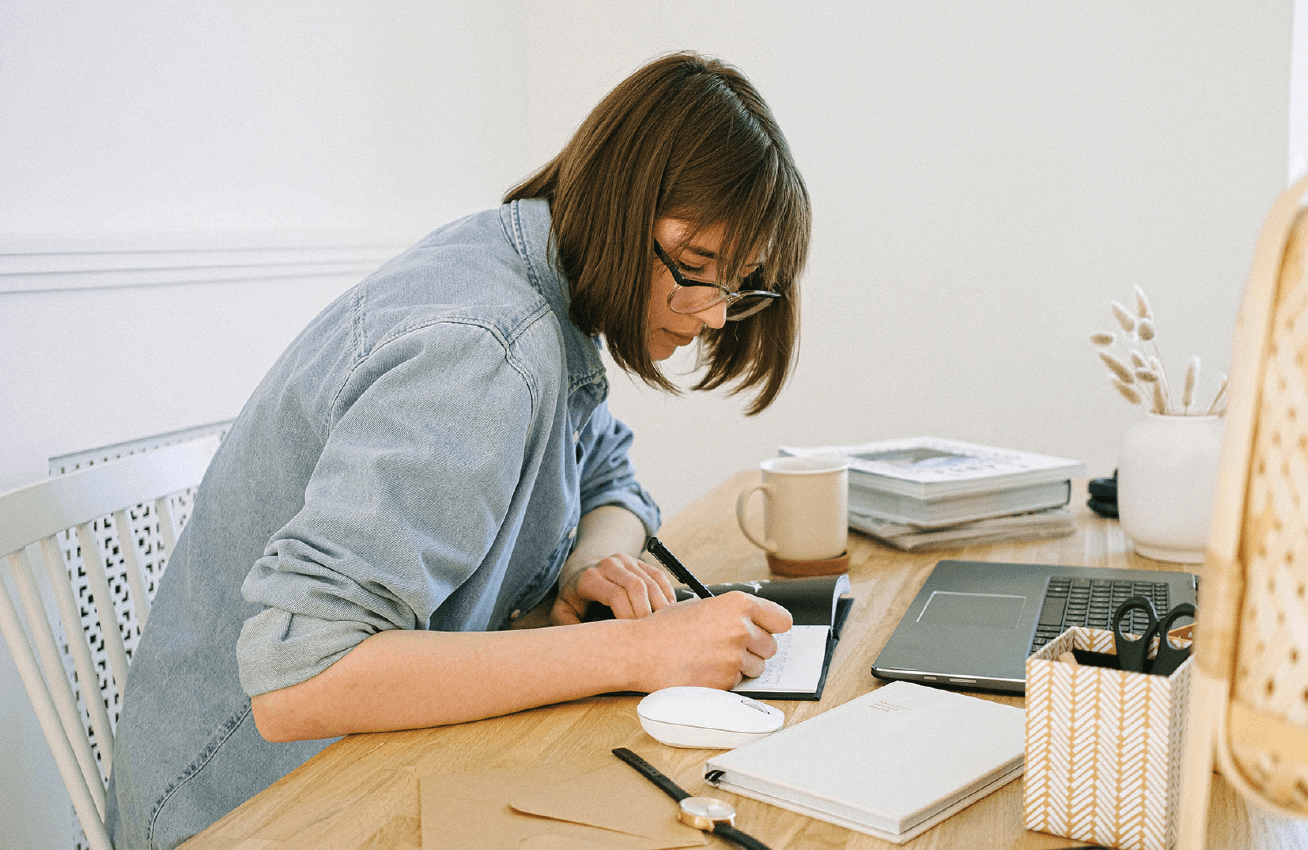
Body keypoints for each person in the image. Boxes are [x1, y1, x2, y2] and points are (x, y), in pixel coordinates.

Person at [106, 51, 811, 850]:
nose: (715, 317)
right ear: (621, 204)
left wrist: (593, 566)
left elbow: (610, 473)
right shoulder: (486, 350)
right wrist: (636, 648)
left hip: (370, 763)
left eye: (738, 284)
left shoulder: (541, 279)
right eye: (694, 269)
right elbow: (299, 678)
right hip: (251, 809)